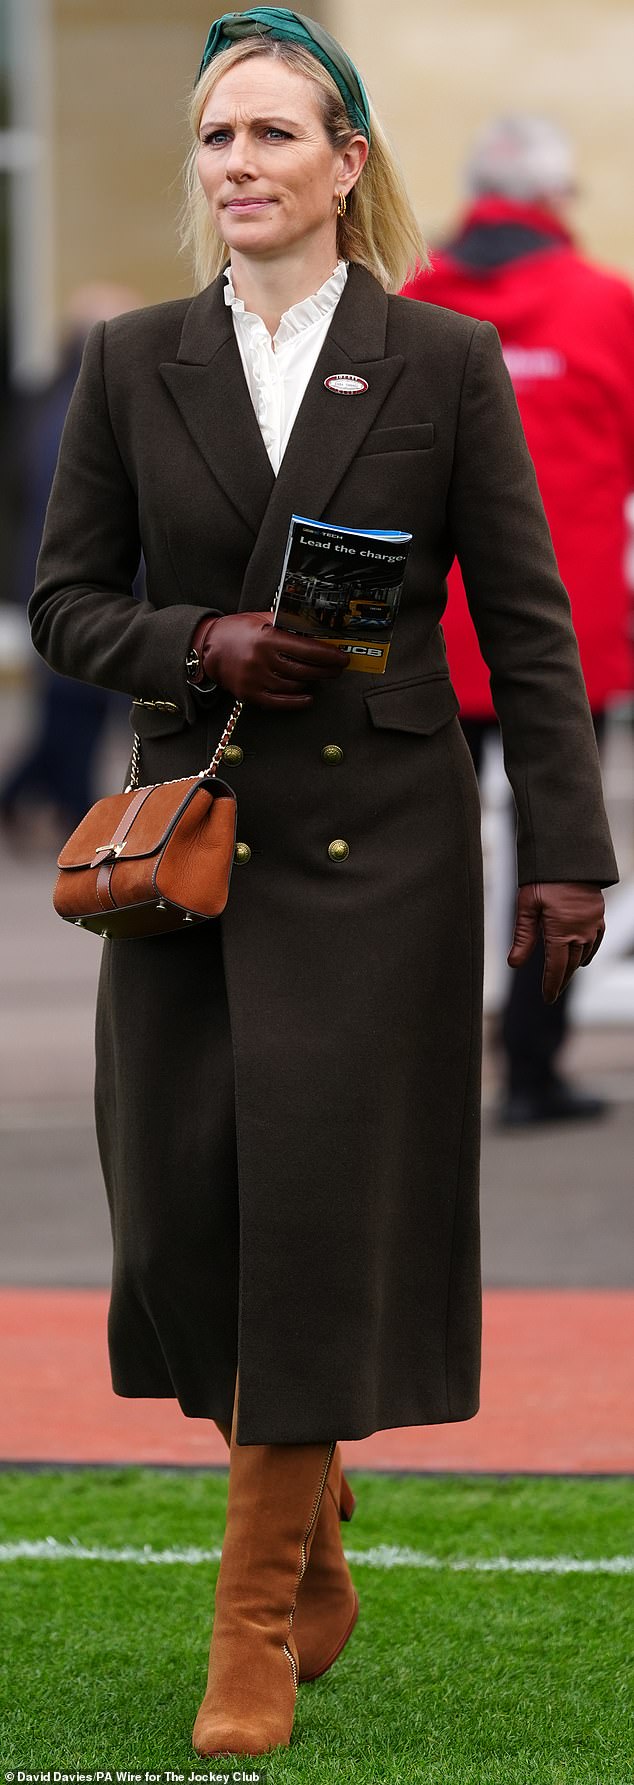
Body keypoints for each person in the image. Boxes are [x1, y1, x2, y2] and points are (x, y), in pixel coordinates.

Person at [28, 12, 618, 1760]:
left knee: (309, 1229)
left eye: (272, 135)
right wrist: (192, 635)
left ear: (343, 164)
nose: (236, 167)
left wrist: (570, 850)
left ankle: (253, 1623)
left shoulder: (440, 359)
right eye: (216, 139)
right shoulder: (131, 361)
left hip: (389, 866)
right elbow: (63, 602)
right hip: (188, 866)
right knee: (192, 1220)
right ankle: (310, 1499)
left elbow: (525, 626)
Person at [403, 116, 634, 1125]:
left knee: (414, 859)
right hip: (562, 640)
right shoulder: (607, 307)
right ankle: (532, 1074)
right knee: (557, 855)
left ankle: (416, 1080)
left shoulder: (407, 306)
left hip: (420, 633)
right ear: (553, 201)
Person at [0, 285, 144, 849]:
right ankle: (73, 817)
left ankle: (33, 801)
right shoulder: (77, 409)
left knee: (70, 713)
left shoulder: (54, 399)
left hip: (53, 585)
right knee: (75, 710)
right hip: (69, 590)